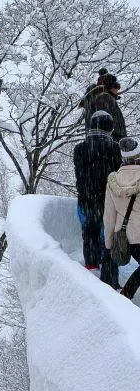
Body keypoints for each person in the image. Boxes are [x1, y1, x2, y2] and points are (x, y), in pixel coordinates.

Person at [75, 110, 122, 286]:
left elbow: (80, 176)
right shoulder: (114, 148)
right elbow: (117, 175)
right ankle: (110, 282)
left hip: (86, 201)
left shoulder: (80, 149)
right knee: (109, 238)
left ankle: (91, 268)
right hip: (108, 201)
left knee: (89, 232)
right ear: (108, 128)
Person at [104, 137, 140, 298]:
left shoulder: (113, 180)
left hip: (127, 237)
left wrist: (109, 242)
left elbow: (109, 214)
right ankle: (125, 295)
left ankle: (126, 295)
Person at [79, 69, 127, 141]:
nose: (117, 92)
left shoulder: (95, 98)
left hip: (99, 140)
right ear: (109, 87)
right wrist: (117, 137)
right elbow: (106, 122)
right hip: (108, 140)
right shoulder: (104, 98)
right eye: (116, 89)